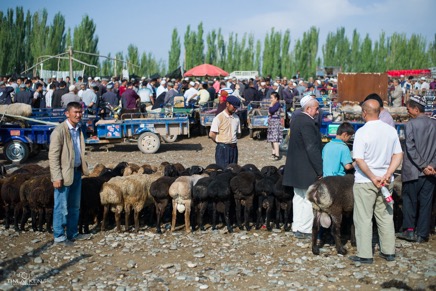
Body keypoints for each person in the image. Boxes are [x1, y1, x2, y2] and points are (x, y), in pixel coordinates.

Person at [349, 99, 403, 264]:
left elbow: (359, 159)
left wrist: (373, 177)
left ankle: (365, 254)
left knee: (364, 217)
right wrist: (387, 174)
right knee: (385, 215)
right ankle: (389, 251)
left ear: (364, 113)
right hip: (386, 181)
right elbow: (398, 155)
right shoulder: (390, 131)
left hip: (366, 180)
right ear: (379, 112)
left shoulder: (362, 132)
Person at [49, 102, 90, 245]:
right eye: (75, 112)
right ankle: (59, 236)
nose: (78, 115)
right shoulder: (59, 131)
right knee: (61, 206)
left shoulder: (79, 129)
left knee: (74, 206)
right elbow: (53, 156)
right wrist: (56, 176)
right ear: (67, 113)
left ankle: (72, 233)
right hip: (64, 174)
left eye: (80, 112)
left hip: (77, 171)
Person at [396, 95, 436, 243]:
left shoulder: (410, 125)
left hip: (413, 171)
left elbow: (411, 148)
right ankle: (422, 234)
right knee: (426, 203)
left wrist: (423, 166)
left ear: (416, 109)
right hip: (430, 173)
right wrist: (431, 166)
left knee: (409, 201)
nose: (408, 111)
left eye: (408, 109)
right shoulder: (434, 124)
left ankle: (410, 230)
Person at [282, 95, 323, 239]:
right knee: (308, 198)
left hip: (295, 165)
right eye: (317, 109)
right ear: (309, 108)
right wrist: (320, 169)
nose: (318, 112)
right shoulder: (307, 122)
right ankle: (305, 229)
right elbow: (311, 147)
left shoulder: (296, 119)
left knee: (298, 197)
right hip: (306, 167)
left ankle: (297, 226)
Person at [209, 95, 241, 168]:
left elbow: (238, 133)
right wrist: (220, 142)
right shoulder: (219, 117)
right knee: (223, 171)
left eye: (236, 108)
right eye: (234, 107)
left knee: (234, 171)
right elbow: (212, 134)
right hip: (222, 148)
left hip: (233, 148)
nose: (235, 109)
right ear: (227, 104)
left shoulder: (236, 118)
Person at [267, 92, 283, 160]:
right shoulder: (275, 104)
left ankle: (277, 154)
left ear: (276, 98)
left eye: (272, 98)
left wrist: (270, 106)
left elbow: (271, 110)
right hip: (272, 122)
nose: (271, 99)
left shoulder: (277, 104)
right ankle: (273, 153)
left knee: (275, 139)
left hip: (275, 123)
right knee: (272, 139)